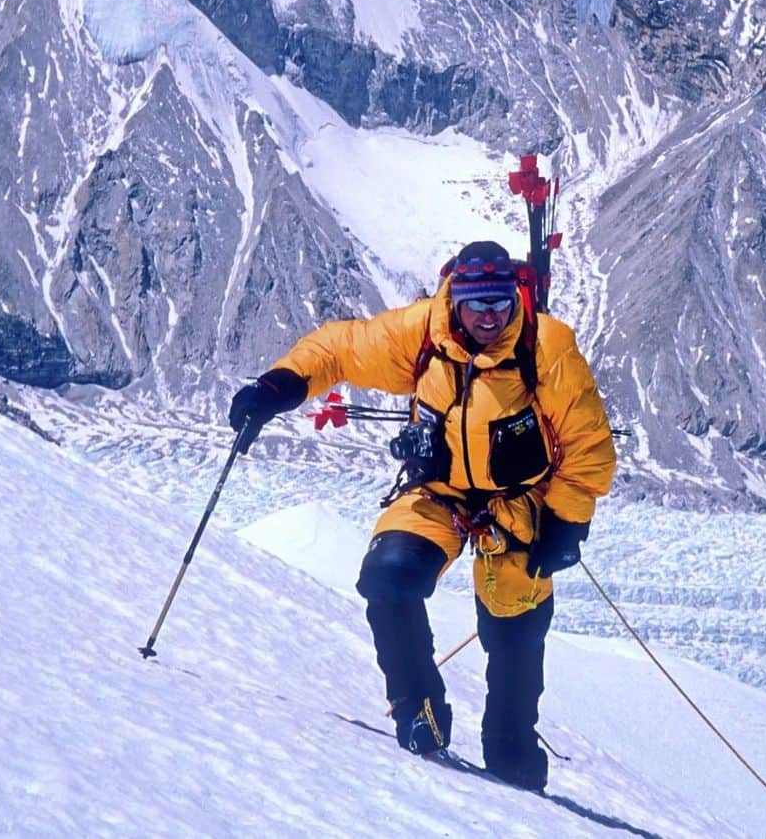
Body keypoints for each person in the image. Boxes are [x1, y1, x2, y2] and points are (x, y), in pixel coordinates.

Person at [229, 240, 615, 791]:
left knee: (514, 633)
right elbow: (340, 348)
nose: (489, 317)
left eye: (500, 303)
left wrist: (568, 520)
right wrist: (279, 386)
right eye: (477, 304)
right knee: (387, 580)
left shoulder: (545, 348)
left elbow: (588, 444)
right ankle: (419, 708)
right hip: (437, 493)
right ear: (452, 298)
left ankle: (511, 752)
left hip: (518, 508)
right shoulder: (424, 334)